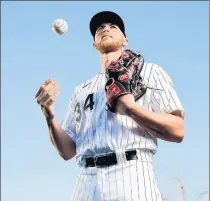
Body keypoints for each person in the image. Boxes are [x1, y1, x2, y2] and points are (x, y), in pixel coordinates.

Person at [35, 11, 185, 201]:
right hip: (86, 183)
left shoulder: (149, 72)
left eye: (113, 27)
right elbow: (67, 151)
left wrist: (131, 109)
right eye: (100, 28)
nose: (106, 28)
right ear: (94, 44)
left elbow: (177, 130)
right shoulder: (81, 89)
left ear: (125, 40)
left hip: (132, 177)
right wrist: (49, 116)